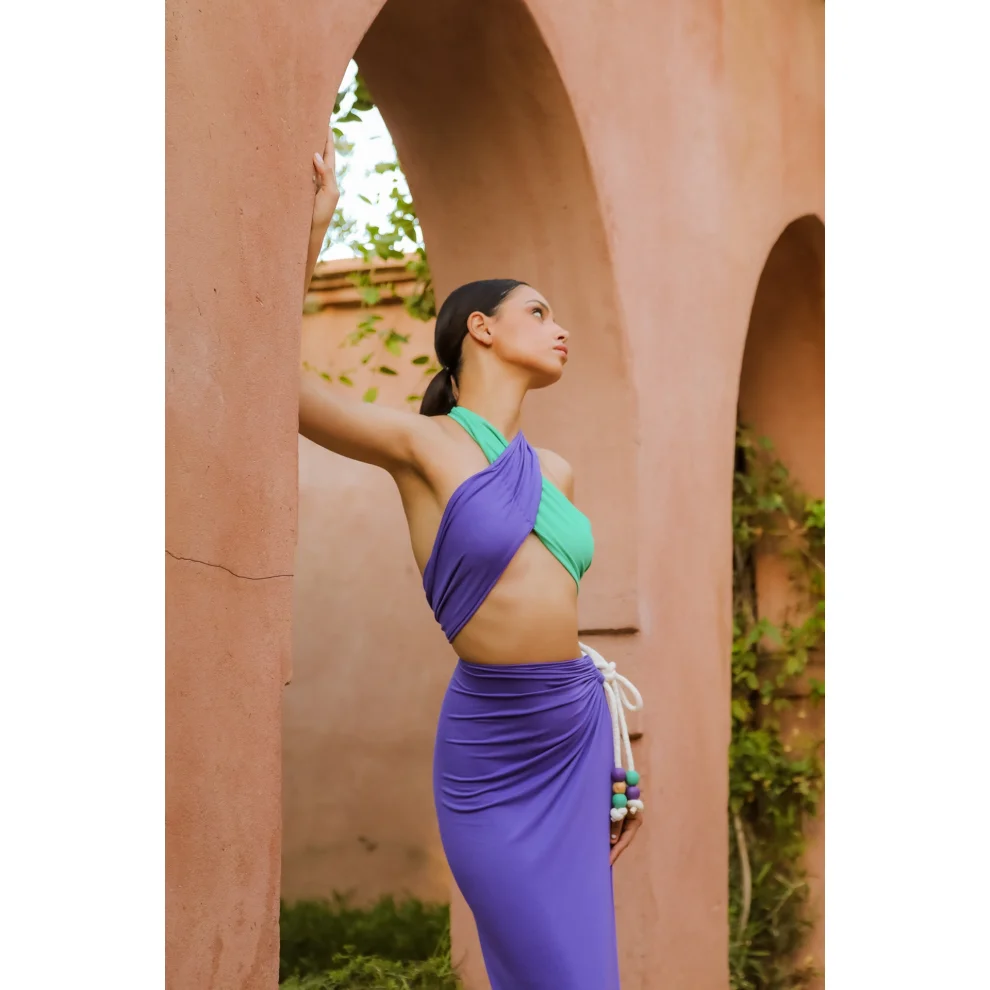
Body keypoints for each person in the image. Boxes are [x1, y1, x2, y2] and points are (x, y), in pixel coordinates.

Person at [300, 125, 645, 990]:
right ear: (481, 328)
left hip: (574, 736)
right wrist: (314, 232)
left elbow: (561, 619)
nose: (562, 329)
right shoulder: (421, 446)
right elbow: (288, 390)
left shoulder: (556, 472)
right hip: (493, 749)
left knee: (586, 974)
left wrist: (618, 768)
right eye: (541, 313)